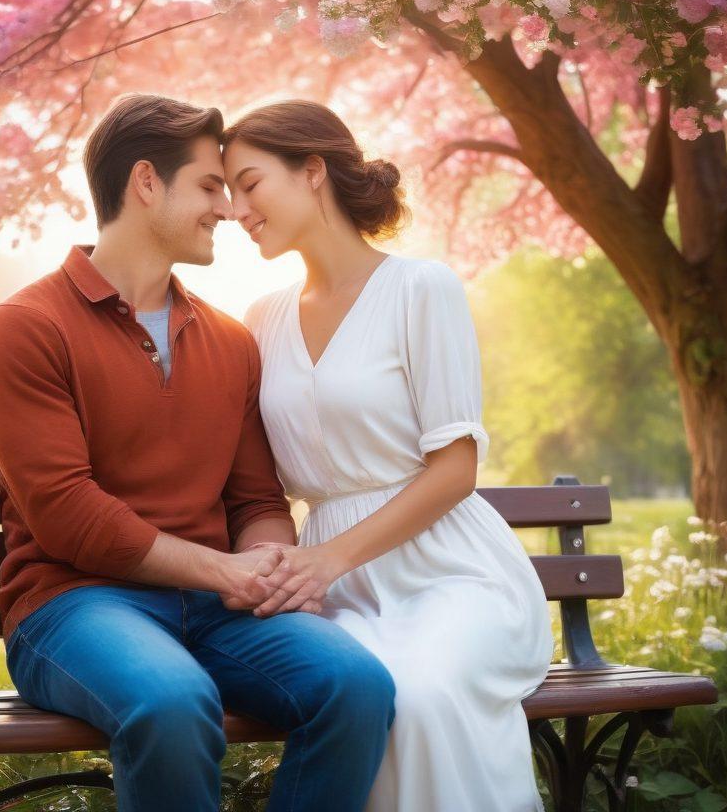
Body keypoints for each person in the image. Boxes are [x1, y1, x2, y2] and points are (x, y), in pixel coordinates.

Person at [0, 93, 395, 812]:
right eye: (207, 185)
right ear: (144, 183)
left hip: (215, 609)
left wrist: (268, 565)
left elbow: (256, 499)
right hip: (72, 607)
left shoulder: (231, 342)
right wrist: (222, 570)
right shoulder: (27, 327)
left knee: (357, 688)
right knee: (170, 701)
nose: (227, 210)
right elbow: (68, 515)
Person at [223, 99, 555, 812]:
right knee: (361, 693)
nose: (237, 211)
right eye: (226, 195)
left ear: (312, 171)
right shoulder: (260, 320)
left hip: (447, 570)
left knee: (424, 694)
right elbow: (252, 483)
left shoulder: (419, 288)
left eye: (249, 184)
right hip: (333, 588)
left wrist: (329, 560)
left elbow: (457, 469)